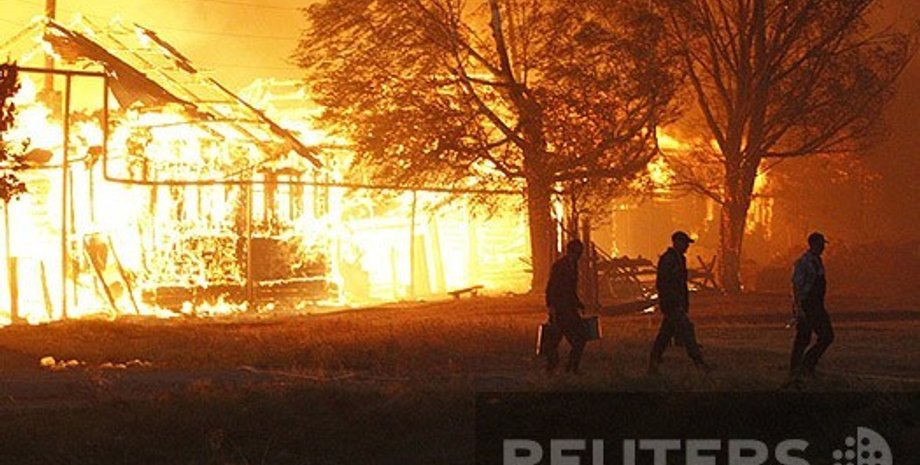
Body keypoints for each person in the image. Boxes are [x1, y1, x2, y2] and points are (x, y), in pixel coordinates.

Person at [648, 231, 710, 375]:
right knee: (687, 330)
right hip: (672, 304)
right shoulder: (668, 260)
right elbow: (663, 283)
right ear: (677, 243)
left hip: (677, 303)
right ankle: (699, 362)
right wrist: (672, 301)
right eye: (685, 243)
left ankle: (654, 362)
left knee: (665, 335)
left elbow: (681, 284)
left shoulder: (679, 259)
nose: (687, 246)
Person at [789, 232, 834, 379]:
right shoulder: (803, 263)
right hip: (807, 304)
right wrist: (798, 308)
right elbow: (796, 287)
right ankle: (798, 369)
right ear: (813, 244)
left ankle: (805, 366)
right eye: (820, 245)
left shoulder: (818, 261)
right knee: (804, 338)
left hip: (817, 304)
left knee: (826, 336)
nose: (823, 248)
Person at [543, 239, 587, 374]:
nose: (579, 256)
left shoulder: (573, 265)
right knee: (556, 342)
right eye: (577, 253)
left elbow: (571, 289)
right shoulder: (559, 266)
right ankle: (557, 369)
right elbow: (551, 288)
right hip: (560, 310)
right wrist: (551, 307)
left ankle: (570, 368)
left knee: (579, 339)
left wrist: (578, 303)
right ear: (571, 252)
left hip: (569, 309)